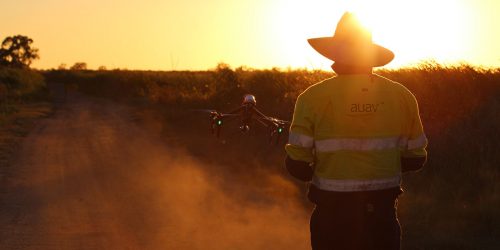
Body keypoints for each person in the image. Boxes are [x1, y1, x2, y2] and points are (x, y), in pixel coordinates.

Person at [284, 12, 428, 250]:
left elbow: (298, 166)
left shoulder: (311, 98)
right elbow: (416, 158)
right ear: (370, 55)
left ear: (335, 54)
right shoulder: (402, 96)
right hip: (382, 217)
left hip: (332, 218)